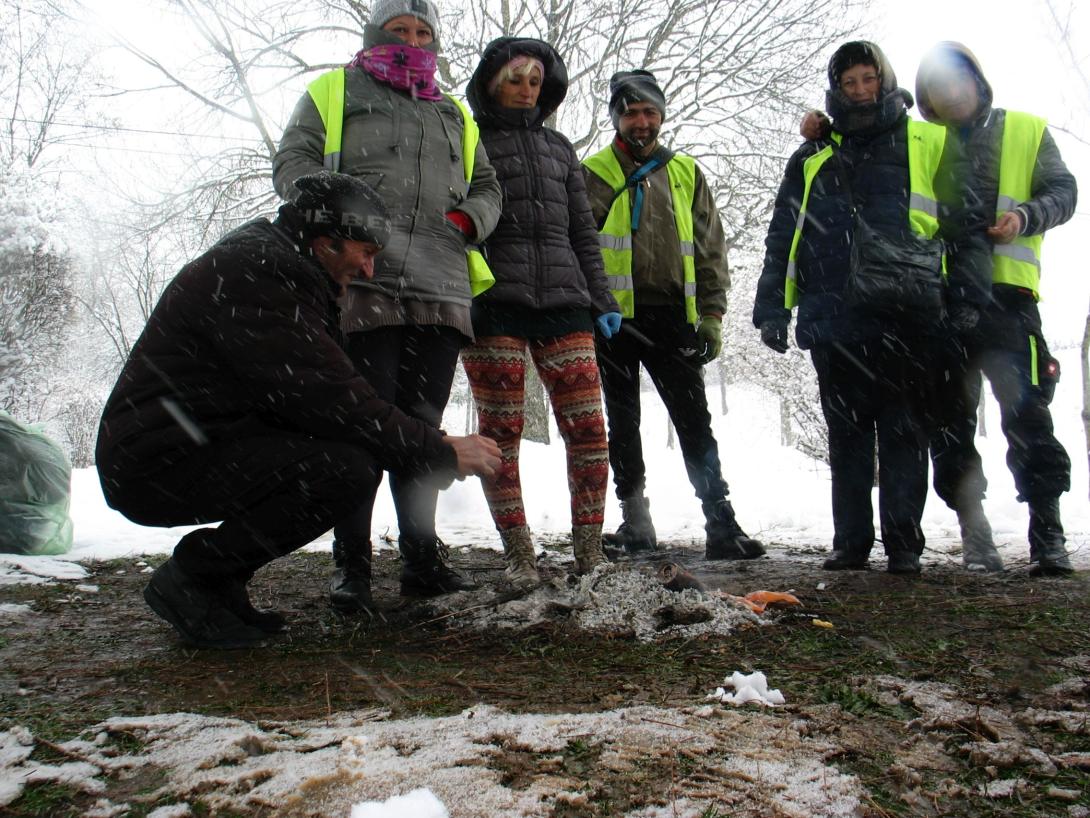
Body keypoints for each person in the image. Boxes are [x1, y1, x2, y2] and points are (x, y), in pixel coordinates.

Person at [95, 172, 502, 649]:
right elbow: (333, 400)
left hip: (185, 445)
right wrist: (437, 449)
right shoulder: (265, 276)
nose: (370, 271)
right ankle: (194, 577)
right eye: (366, 254)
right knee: (344, 470)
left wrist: (421, 443)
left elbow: (322, 398)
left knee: (347, 457)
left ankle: (218, 584)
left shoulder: (276, 265)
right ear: (326, 241)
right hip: (156, 460)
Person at [272, 0, 503, 611]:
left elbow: (488, 186)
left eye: (423, 32)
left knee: (421, 430)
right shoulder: (333, 89)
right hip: (360, 283)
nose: (413, 40)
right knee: (361, 425)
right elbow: (293, 162)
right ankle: (352, 568)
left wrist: (465, 220)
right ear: (376, 33)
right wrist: (335, 216)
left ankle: (422, 561)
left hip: (440, 285)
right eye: (400, 30)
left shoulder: (452, 110)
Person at [754, 41, 990, 574]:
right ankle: (851, 543)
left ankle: (904, 545)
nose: (859, 90)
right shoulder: (812, 154)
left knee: (906, 429)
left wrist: (967, 300)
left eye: (868, 78)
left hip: (910, 316)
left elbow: (965, 224)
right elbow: (783, 234)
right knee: (848, 433)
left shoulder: (929, 140)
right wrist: (772, 306)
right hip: (833, 315)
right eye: (848, 82)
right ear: (835, 89)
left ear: (884, 79)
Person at [582, 70, 764, 561]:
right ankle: (636, 522)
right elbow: (578, 247)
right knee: (622, 423)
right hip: (613, 321)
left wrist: (712, 313)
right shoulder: (593, 172)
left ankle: (720, 522)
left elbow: (709, 247)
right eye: (631, 112)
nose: (641, 122)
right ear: (616, 117)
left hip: (673, 317)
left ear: (661, 115)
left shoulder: (685, 172)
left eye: (649, 112)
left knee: (694, 423)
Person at [462, 38, 621, 587]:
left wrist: (602, 299)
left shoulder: (559, 148)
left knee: (590, 431)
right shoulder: (467, 140)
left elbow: (583, 231)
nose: (526, 89)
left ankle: (590, 553)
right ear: (491, 82)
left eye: (535, 80)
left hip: (564, 302)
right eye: (515, 79)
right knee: (500, 433)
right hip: (493, 304)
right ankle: (519, 556)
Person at [914, 42, 1076, 576]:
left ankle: (1047, 534)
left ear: (978, 81)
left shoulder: (1026, 129)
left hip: (1010, 302)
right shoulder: (919, 141)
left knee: (1028, 415)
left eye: (959, 80)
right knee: (949, 422)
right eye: (938, 85)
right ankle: (973, 530)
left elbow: (1064, 190)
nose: (951, 91)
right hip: (940, 303)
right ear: (927, 98)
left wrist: (1026, 217)